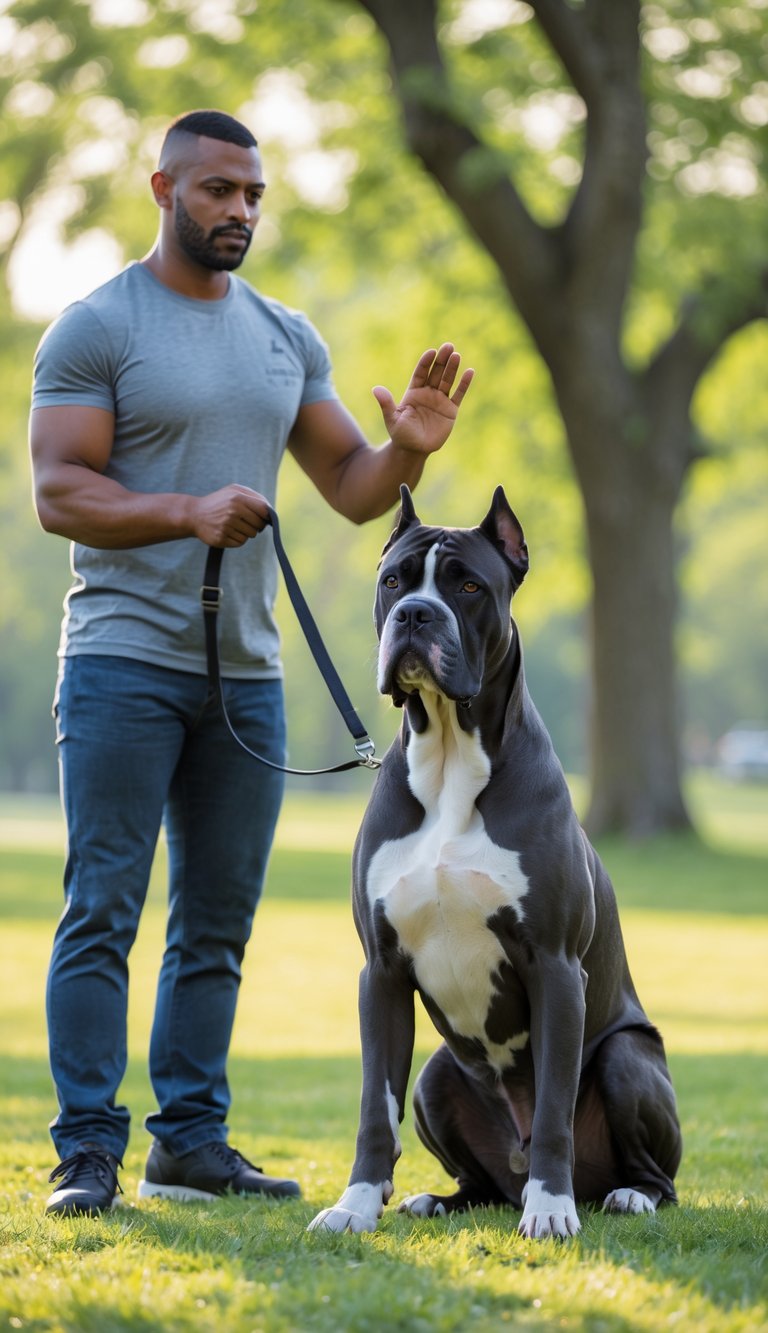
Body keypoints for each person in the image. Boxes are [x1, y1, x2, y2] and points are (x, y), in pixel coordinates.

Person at [29, 109, 473, 1217]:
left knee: (218, 925)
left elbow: (353, 487)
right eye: (220, 190)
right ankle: (87, 1152)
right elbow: (59, 492)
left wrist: (405, 449)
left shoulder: (285, 334)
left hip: (249, 674)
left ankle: (190, 1140)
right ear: (164, 187)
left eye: (254, 195)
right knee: (103, 909)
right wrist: (186, 509)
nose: (239, 211)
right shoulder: (95, 327)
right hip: (123, 662)